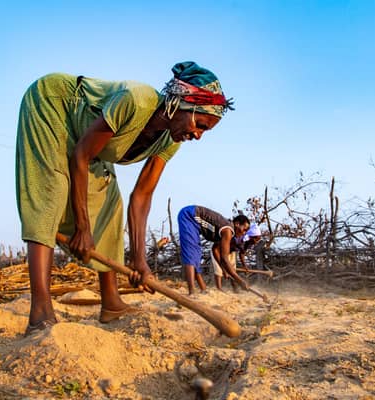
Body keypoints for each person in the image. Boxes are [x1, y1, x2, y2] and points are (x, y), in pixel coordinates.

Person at [15, 61, 233, 334]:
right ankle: (40, 310)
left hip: (86, 142)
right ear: (182, 104)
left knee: (110, 204)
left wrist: (139, 259)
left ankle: (112, 302)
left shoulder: (171, 140)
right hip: (53, 105)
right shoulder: (136, 101)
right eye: (200, 124)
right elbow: (81, 155)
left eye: (205, 131)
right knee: (50, 192)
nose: (198, 135)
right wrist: (83, 227)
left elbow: (142, 195)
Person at [177, 205, 250, 295]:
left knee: (196, 255)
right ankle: (191, 292)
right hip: (189, 215)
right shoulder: (227, 230)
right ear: (237, 224)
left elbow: (215, 249)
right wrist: (239, 280)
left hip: (193, 221)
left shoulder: (226, 231)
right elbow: (224, 258)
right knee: (191, 252)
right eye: (244, 229)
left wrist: (223, 270)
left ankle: (203, 289)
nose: (244, 233)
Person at [211, 223, 262, 291]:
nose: (256, 242)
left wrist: (244, 265)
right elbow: (219, 247)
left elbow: (242, 253)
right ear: (251, 236)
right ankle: (219, 289)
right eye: (256, 239)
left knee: (232, 271)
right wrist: (224, 269)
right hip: (219, 251)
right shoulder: (239, 238)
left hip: (231, 252)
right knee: (219, 271)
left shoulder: (249, 243)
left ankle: (235, 289)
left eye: (258, 240)